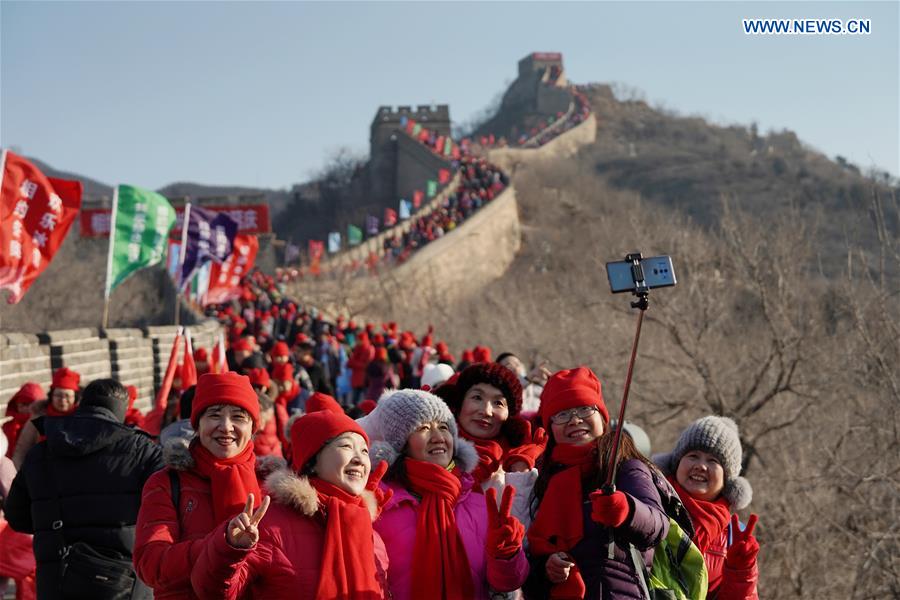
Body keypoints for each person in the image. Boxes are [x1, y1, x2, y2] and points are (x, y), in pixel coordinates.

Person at [190, 410, 390, 599]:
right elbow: (213, 593)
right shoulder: (269, 526)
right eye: (346, 446)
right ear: (313, 461)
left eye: (364, 450)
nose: (359, 459)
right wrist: (230, 549)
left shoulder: (372, 534)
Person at [5, 379, 164, 599]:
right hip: (123, 581)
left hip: (57, 578)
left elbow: (17, 515)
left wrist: (51, 523)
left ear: (82, 403)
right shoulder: (144, 451)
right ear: (122, 410)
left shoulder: (41, 451)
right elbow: (166, 513)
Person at [368, 389, 529, 600]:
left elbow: (507, 584)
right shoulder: (381, 504)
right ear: (401, 444)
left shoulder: (479, 502)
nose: (438, 437)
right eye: (423, 428)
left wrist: (506, 555)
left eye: (444, 427)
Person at [525, 367, 669, 599]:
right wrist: (547, 569)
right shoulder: (545, 479)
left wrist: (626, 510)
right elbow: (533, 568)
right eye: (562, 414)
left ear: (602, 418)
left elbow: (659, 525)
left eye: (584, 408)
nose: (574, 420)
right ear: (550, 427)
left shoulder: (624, 466)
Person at [133, 372, 263, 599]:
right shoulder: (167, 482)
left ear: (252, 427)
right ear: (197, 424)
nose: (226, 426)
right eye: (214, 415)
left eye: (238, 417)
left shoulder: (269, 485)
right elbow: (150, 564)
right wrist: (222, 546)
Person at [652, 416, 759, 599]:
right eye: (693, 456)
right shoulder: (650, 506)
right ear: (675, 463)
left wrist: (741, 573)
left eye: (713, 461)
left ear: (727, 480)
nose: (701, 466)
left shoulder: (735, 535)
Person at [437, 362, 545, 527]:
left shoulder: (511, 469)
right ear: (459, 404)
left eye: (498, 403)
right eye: (477, 397)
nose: (486, 411)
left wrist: (520, 471)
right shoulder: (430, 449)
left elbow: (522, 539)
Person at [12, 368, 81, 469]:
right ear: (51, 396)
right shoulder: (39, 418)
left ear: (75, 397)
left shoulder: (81, 417)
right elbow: (21, 451)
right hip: (44, 473)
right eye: (58, 395)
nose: (63, 400)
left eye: (67, 396)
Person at [3, 383, 45, 460]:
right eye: (19, 404)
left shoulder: (43, 425)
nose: (21, 407)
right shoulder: (8, 427)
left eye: (26, 404)